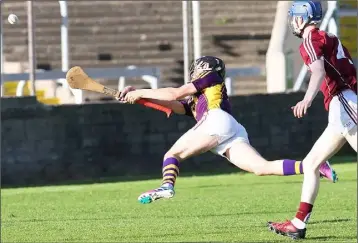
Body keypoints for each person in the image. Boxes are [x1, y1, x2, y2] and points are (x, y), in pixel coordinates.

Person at [118, 56, 337, 205]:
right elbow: (173, 105)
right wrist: (139, 97)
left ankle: (166, 186)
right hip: (229, 129)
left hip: (217, 121)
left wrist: (140, 92)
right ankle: (314, 165)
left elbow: (174, 93)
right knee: (261, 167)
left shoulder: (211, 78)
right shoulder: (199, 97)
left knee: (172, 154)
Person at [267, 1, 357, 240]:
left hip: (345, 103)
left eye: (295, 17)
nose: (292, 21)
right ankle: (298, 223)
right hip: (342, 106)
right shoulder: (328, 36)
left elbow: (317, 71)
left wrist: (306, 99)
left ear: (302, 18)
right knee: (310, 165)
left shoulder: (310, 40)